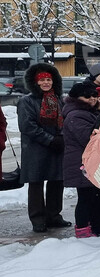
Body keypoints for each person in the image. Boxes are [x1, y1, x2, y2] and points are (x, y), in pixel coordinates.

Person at [17, 63, 69, 233]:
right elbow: (27, 126)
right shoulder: (27, 101)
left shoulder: (58, 100)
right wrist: (49, 140)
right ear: (35, 82)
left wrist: (60, 137)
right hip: (36, 149)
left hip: (56, 147)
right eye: (42, 80)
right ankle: (38, 219)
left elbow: (64, 120)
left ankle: (54, 216)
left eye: (49, 79)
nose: (46, 83)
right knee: (36, 184)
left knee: (56, 182)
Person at [62, 81, 100, 238]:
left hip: (91, 163)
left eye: (94, 96)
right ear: (76, 98)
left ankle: (99, 228)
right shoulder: (76, 114)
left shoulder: (89, 112)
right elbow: (88, 138)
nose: (92, 99)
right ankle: (83, 230)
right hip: (82, 164)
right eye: (87, 96)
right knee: (86, 198)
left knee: (97, 198)